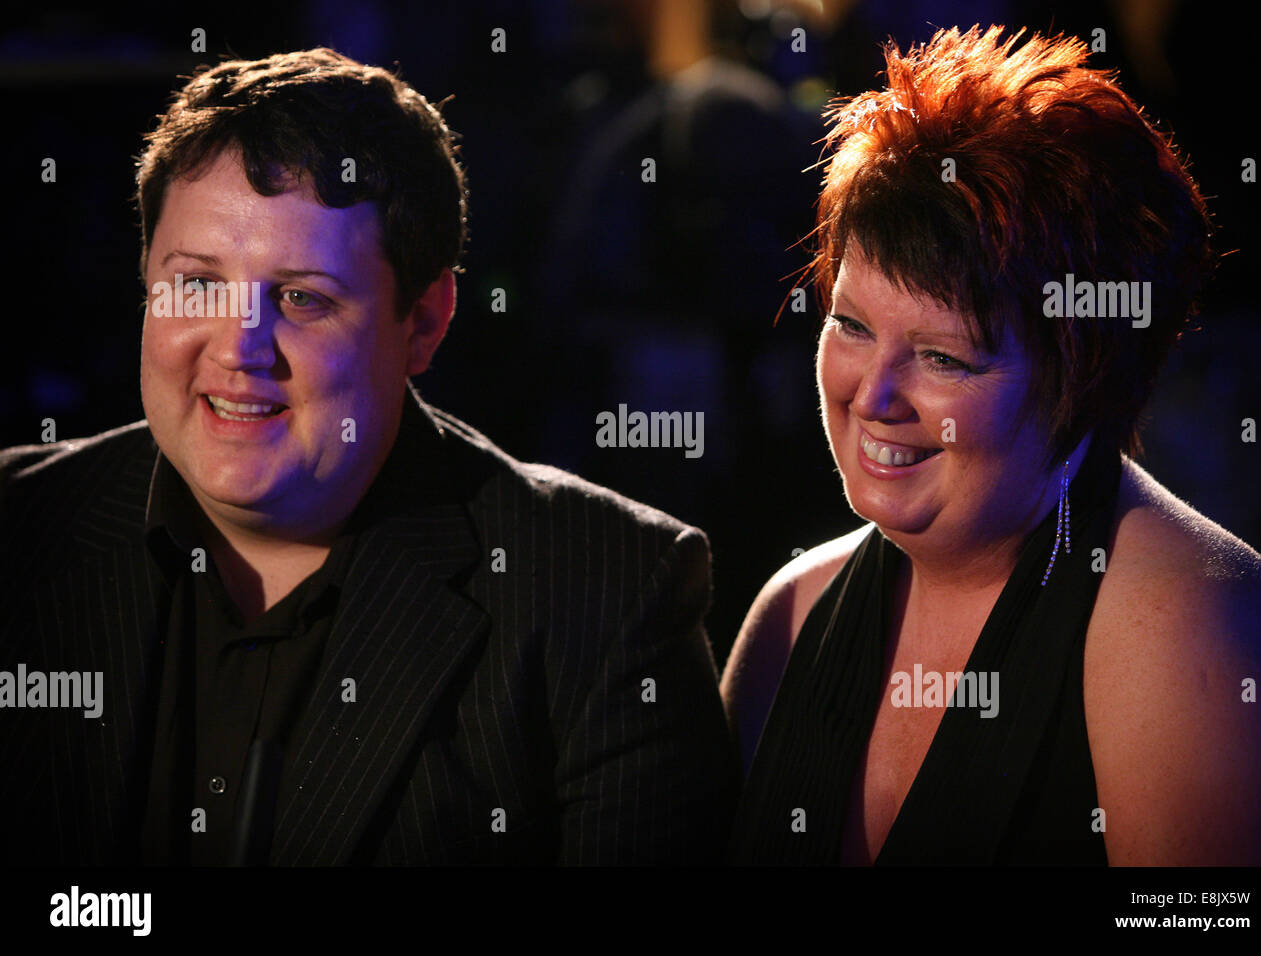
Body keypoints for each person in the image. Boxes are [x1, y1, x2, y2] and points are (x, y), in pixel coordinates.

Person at [0, 48, 736, 865]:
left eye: (302, 298)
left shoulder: (606, 597)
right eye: (197, 285)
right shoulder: (16, 526)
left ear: (424, 322)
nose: (240, 349)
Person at [721, 25, 1261, 865]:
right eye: (849, 325)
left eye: (943, 357)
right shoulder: (794, 611)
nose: (873, 397)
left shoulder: (1197, 628)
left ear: (1083, 374)